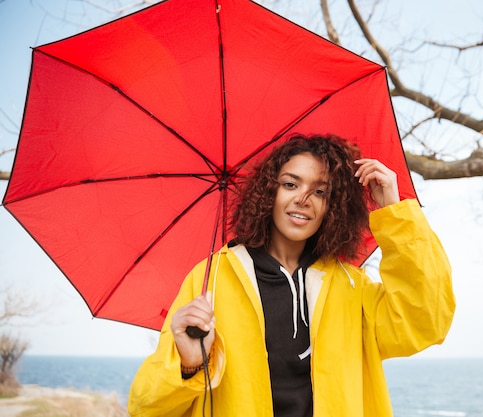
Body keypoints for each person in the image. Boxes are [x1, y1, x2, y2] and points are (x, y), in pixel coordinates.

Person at [128, 133, 455, 417]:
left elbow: (426, 319)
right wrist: (187, 362)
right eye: (290, 184)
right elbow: (146, 406)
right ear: (268, 192)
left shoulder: (350, 285)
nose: (302, 199)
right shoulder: (211, 279)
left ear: (334, 207)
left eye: (320, 192)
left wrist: (395, 213)